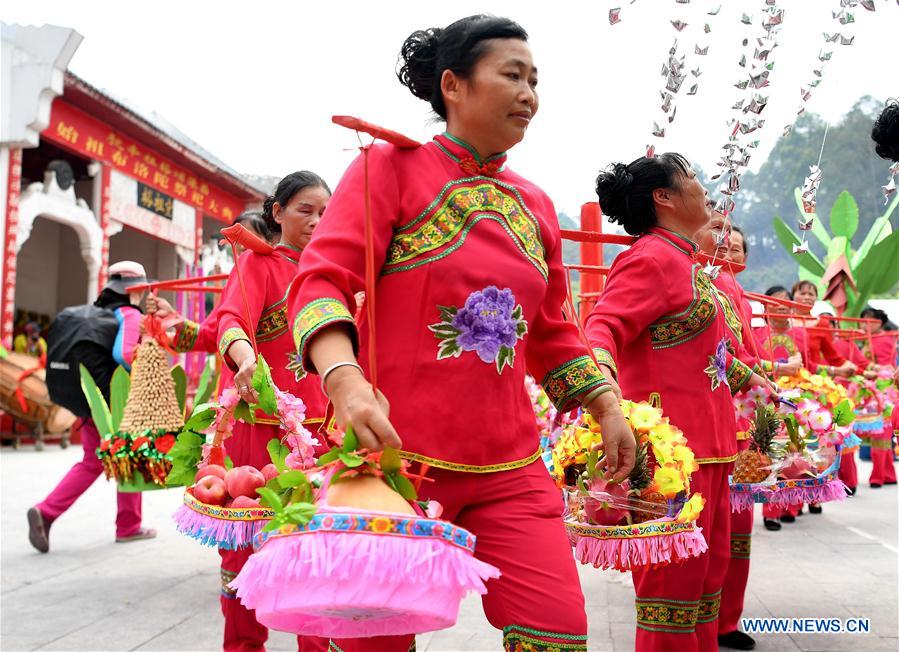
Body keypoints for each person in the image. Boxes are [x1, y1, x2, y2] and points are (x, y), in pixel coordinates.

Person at [287, 15, 635, 651]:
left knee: (558, 632)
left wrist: (606, 405)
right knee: (375, 641)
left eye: (535, 80)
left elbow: (551, 330)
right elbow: (321, 282)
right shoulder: (389, 168)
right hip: (392, 458)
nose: (529, 94)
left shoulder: (536, 205)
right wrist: (345, 381)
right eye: (513, 75)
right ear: (453, 84)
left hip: (512, 466)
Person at [584, 153, 770, 652]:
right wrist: (606, 398)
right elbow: (602, 327)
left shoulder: (687, 263)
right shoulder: (649, 257)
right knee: (671, 600)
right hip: (674, 461)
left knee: (705, 590)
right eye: (690, 178)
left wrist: (760, 387)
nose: (703, 187)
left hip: (712, 452)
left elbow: (711, 356)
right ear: (663, 197)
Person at [192, 172, 331, 652]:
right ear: (277, 212)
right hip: (259, 431)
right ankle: (243, 645)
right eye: (305, 210)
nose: (316, 221)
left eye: (324, 213)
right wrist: (246, 358)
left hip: (319, 435)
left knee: (312, 551)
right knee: (244, 551)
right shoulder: (259, 263)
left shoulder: (331, 276)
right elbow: (231, 320)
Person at [27, 261, 156, 552]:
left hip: (88, 401)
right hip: (115, 403)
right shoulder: (130, 314)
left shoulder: (96, 314)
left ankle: (49, 513)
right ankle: (125, 525)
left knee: (95, 460)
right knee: (127, 456)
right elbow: (124, 355)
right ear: (134, 291)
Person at [858, 307, 898, 488]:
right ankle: (888, 474)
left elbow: (885, 367)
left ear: (879, 322)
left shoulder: (883, 339)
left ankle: (877, 476)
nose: (864, 324)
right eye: (862, 320)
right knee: (882, 433)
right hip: (872, 390)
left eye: (869, 320)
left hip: (881, 392)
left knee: (880, 434)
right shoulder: (869, 339)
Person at [791, 280, 855, 379]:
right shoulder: (783, 321)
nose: (807, 297)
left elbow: (833, 356)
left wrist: (858, 370)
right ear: (793, 297)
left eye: (811, 294)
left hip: (812, 380)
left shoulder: (822, 324)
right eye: (802, 293)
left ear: (816, 299)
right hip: (783, 379)